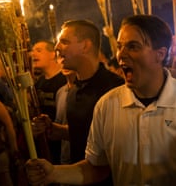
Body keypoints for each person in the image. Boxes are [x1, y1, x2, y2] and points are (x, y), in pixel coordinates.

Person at [26, 15, 176, 185]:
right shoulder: (107, 105)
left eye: (133, 46)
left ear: (160, 54)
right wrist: (53, 173)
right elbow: (96, 167)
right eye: (119, 46)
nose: (121, 54)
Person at [32, 20, 124, 185]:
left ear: (85, 46)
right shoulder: (73, 90)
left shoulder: (114, 89)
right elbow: (84, 132)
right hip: (77, 178)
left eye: (65, 42)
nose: (57, 47)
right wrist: (55, 129)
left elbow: (115, 149)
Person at [31, 40, 67, 164]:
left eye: (39, 50)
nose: (33, 54)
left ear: (53, 54)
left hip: (63, 143)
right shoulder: (38, 84)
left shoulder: (65, 80)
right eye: (33, 50)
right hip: (44, 144)